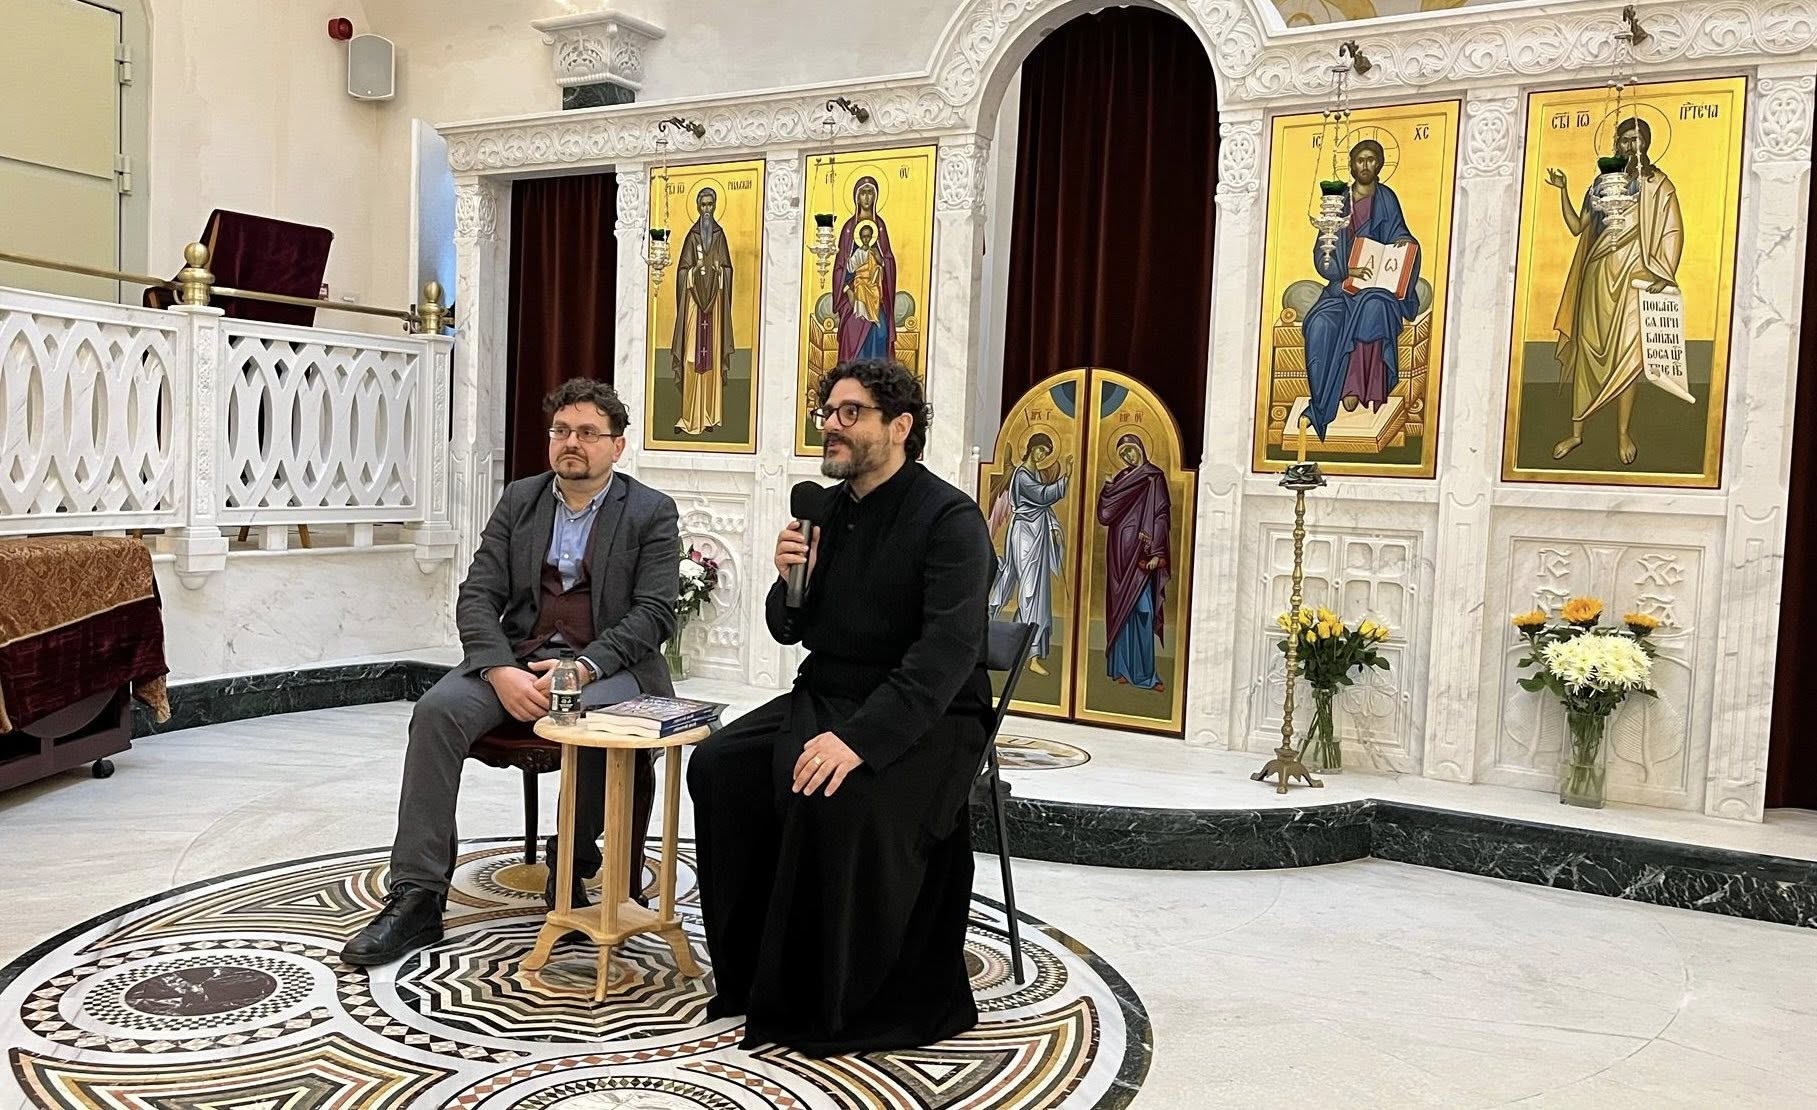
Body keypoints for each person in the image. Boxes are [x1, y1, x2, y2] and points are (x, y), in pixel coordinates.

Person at [687, 358, 994, 1056]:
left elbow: (945, 655)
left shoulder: (949, 519)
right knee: (719, 766)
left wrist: (859, 741)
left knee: (834, 794)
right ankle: (754, 975)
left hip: (929, 713)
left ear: (900, 427)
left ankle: (834, 1000)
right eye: (828, 412)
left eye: (850, 412)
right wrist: (789, 580)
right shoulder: (825, 510)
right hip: (826, 690)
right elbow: (789, 630)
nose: (831, 424)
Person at [340, 378, 679, 966]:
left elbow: (654, 613)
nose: (572, 442)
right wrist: (499, 668)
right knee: (437, 712)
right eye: (561, 431)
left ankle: (573, 865)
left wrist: (583, 668)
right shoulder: (521, 499)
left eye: (588, 433)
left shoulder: (650, 510)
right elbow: (477, 594)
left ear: (617, 445)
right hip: (519, 661)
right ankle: (417, 895)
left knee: (592, 723)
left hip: (610, 668)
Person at [1546, 116, 1684, 465]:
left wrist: (1664, 274)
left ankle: (1623, 433)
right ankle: (1577, 432)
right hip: (1598, 273)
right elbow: (1578, 227)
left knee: (1628, 355)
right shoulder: (1601, 185)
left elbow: (1672, 230)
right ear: (1617, 144)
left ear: (1646, 143)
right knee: (1588, 350)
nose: (1631, 146)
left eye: (1637, 139)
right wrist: (1563, 190)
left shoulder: (1657, 185)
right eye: (1625, 140)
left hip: (1635, 276)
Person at [1300, 138, 1421, 439]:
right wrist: (1345, 271)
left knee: (1373, 307)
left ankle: (1360, 387)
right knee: (1319, 323)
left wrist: (1404, 243)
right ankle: (1323, 402)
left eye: (1371, 159)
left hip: (1378, 286)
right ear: (1352, 165)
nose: (1365, 165)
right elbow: (1324, 251)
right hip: (1342, 288)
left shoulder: (1387, 198)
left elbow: (1401, 234)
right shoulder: (1337, 202)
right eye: (1360, 160)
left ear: (1379, 164)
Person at [987, 432, 1071, 676]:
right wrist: (1066, 477)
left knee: (1037, 591)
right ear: (1031, 448)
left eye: (1046, 452)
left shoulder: (1035, 475)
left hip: (1038, 533)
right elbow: (1042, 496)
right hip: (1024, 533)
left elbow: (1044, 507)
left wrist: (1054, 527)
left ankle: (1029, 652)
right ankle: (1025, 650)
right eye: (1040, 449)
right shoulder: (1022, 474)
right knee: (1029, 590)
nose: (1042, 455)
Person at [1095, 433, 1171, 691]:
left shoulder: (1153, 477)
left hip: (1142, 553)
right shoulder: (1120, 479)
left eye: (1130, 450)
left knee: (1143, 611)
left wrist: (1157, 551)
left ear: (1140, 448)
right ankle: (1121, 669)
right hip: (1119, 553)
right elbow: (1105, 515)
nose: (1128, 456)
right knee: (1121, 612)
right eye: (1123, 453)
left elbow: (1161, 514)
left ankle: (1146, 674)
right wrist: (1107, 489)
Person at [671, 186, 735, 435]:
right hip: (693, 306)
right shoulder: (692, 236)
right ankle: (688, 418)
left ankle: (710, 416)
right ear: (698, 207)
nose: (707, 209)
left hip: (714, 307)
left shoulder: (719, 236)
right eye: (703, 205)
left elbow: (728, 269)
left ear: (715, 206)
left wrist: (720, 273)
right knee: (691, 359)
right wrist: (693, 272)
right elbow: (681, 272)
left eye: (710, 204)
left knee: (712, 361)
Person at [833, 177, 897, 363]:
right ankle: (852, 374)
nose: (867, 198)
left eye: (870, 193)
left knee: (881, 331)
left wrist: (881, 260)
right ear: (856, 197)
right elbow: (841, 266)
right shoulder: (848, 229)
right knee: (851, 328)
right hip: (854, 292)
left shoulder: (880, 227)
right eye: (863, 193)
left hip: (876, 293)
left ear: (875, 196)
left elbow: (889, 260)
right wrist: (848, 291)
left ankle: (877, 378)